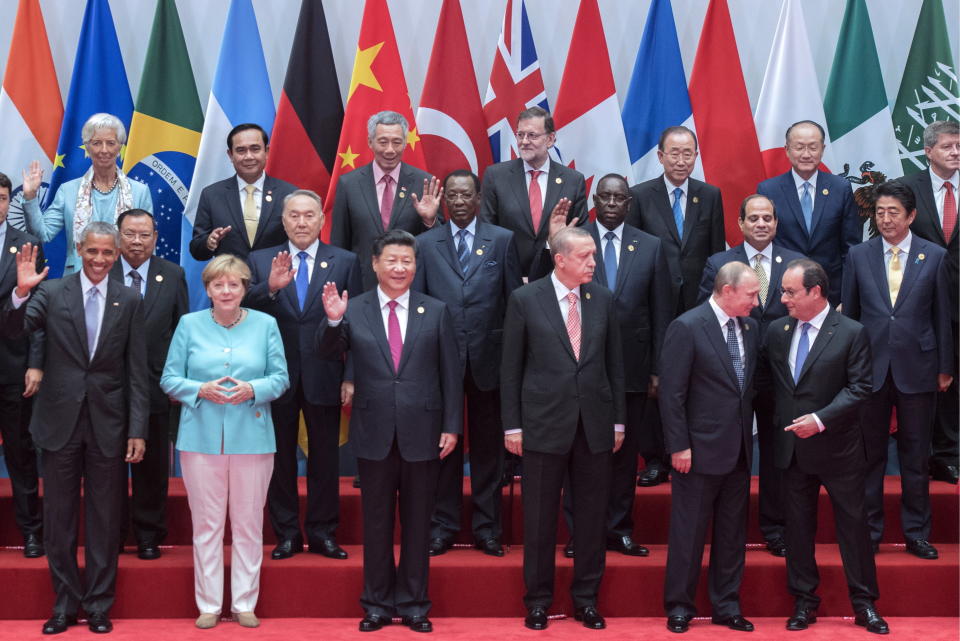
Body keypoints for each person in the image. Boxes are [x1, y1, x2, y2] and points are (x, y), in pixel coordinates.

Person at [2, 221, 148, 635]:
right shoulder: (50, 292)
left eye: (107, 253)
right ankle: (65, 604)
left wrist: (137, 429)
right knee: (60, 520)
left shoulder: (129, 299)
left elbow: (137, 371)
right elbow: (15, 330)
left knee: (104, 521)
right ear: (79, 249)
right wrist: (22, 292)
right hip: (58, 423)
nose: (99, 260)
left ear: (116, 254)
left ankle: (99, 605)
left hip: (109, 425)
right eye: (92, 252)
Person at [318, 230, 461, 634]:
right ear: (375, 264)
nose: (400, 268)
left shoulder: (435, 310)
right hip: (374, 432)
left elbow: (451, 374)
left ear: (416, 267)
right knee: (377, 525)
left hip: (425, 432)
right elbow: (327, 352)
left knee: (419, 525)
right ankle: (377, 605)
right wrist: (332, 320)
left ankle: (415, 604)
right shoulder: (355, 308)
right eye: (392, 261)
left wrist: (452, 425)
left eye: (407, 261)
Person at [501, 226, 625, 631]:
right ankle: (537, 601)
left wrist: (618, 421)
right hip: (541, 426)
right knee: (538, 520)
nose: (594, 262)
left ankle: (586, 600)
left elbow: (615, 366)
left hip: (594, 425)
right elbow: (511, 369)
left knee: (591, 520)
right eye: (586, 256)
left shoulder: (603, 299)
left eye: (593, 255)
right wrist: (512, 426)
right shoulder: (525, 299)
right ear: (560, 259)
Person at [160, 255, 289, 630]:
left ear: (245, 288)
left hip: (253, 437)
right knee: (207, 525)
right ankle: (210, 604)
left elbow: (280, 378)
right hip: (200, 439)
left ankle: (245, 602)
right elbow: (169, 379)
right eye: (219, 285)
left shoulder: (266, 325)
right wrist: (199, 389)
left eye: (234, 284)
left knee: (248, 524)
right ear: (208, 289)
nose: (227, 291)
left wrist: (253, 388)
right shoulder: (189, 325)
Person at [766, 259, 887, 634]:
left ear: (815, 291)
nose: (782, 298)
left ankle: (864, 603)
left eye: (790, 292)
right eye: (783, 291)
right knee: (798, 530)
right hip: (792, 452)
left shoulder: (851, 332)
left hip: (839, 450)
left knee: (853, 527)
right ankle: (804, 602)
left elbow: (860, 388)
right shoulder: (776, 331)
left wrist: (819, 420)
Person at [244, 190, 361, 562]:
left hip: (326, 374)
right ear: (283, 221)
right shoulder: (262, 261)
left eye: (308, 215)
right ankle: (287, 534)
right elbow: (243, 311)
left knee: (324, 459)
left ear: (321, 220)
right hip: (275, 377)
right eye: (293, 215)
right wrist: (270, 289)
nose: (301, 222)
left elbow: (356, 323)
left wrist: (351, 375)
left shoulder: (345, 261)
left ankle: (323, 533)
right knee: (278, 459)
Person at [412, 170, 523, 558]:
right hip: (439, 363)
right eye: (452, 196)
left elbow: (514, 304)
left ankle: (487, 528)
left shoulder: (502, 240)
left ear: (478, 199)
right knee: (444, 448)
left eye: (466, 195)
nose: (459, 202)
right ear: (445, 200)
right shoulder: (425, 244)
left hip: (489, 362)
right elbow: (419, 305)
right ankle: (442, 526)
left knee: (489, 452)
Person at [841, 181, 953, 558]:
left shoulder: (934, 256)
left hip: (919, 368)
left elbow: (942, 317)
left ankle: (917, 533)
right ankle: (869, 532)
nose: (886, 219)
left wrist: (944, 367)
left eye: (894, 213)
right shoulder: (858, 255)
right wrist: (849, 370)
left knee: (916, 456)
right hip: (870, 371)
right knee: (869, 456)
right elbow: (851, 320)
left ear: (911, 216)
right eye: (880, 212)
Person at [563, 174, 670, 557]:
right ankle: (581, 533)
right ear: (594, 199)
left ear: (629, 203)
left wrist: (658, 368)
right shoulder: (575, 241)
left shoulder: (650, 246)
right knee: (582, 454)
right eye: (604, 196)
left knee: (625, 457)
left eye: (619, 197)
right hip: (582, 368)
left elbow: (661, 311)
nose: (611, 203)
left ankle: (618, 528)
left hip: (633, 367)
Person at [697, 194, 805, 557]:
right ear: (740, 224)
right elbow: (704, 318)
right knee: (733, 453)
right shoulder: (719, 263)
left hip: (779, 377)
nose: (761, 224)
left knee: (778, 455)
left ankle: (775, 528)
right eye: (754, 218)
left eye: (768, 218)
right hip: (732, 377)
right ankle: (731, 529)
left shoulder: (795, 263)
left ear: (776, 223)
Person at [660, 262, 760, 634]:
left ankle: (727, 605)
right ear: (727, 290)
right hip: (697, 452)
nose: (757, 300)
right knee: (689, 533)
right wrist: (679, 446)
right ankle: (680, 606)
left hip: (738, 451)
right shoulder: (687, 327)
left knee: (733, 534)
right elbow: (671, 395)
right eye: (751, 294)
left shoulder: (750, 328)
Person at [627, 125, 725, 487]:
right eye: (675, 153)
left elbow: (716, 255)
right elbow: (634, 253)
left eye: (689, 154)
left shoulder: (710, 195)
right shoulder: (639, 196)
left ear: (696, 156)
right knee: (657, 381)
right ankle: (656, 458)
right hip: (654, 306)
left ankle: (692, 449)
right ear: (660, 156)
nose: (682, 161)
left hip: (699, 306)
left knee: (698, 381)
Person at [111, 209, 188, 560]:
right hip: (108, 388)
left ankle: (148, 534)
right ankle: (111, 533)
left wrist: (178, 380)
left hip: (157, 386)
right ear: (118, 235)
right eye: (130, 234)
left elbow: (181, 332)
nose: (138, 241)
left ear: (156, 237)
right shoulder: (101, 271)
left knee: (152, 467)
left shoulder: (172, 274)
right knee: (107, 468)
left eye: (145, 234)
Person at [898, 120, 959, 485]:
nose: (955, 152)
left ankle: (949, 455)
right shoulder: (906, 189)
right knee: (926, 384)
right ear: (928, 150)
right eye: (949, 146)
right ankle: (922, 455)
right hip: (920, 306)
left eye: (959, 146)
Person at [21, 113, 152, 274]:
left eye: (110, 143)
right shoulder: (68, 191)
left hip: (124, 280)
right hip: (77, 279)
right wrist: (30, 196)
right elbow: (42, 234)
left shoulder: (140, 192)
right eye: (97, 143)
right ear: (87, 146)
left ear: (120, 147)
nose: (104, 150)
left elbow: (147, 244)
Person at [330, 111, 441, 291]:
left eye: (397, 142)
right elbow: (339, 243)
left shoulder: (424, 183)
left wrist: (430, 221)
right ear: (370, 142)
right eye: (383, 142)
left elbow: (439, 244)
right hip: (362, 286)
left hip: (410, 286)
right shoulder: (349, 183)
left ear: (405, 143)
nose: (390, 149)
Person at [757, 120, 860, 306]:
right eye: (799, 147)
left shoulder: (840, 188)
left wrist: (847, 296)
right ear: (787, 150)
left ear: (822, 149)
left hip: (831, 292)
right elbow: (763, 245)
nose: (806, 154)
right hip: (783, 291)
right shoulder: (768, 190)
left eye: (813, 147)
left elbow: (850, 248)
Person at [480, 106, 588, 281]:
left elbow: (582, 234)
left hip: (556, 279)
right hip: (506, 280)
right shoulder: (496, 176)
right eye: (520, 135)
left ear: (550, 139)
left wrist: (556, 240)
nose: (524, 141)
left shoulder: (572, 180)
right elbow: (486, 231)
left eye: (532, 135)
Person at [0, 172, 45, 559]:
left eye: (0, 198)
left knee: (21, 453)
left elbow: (38, 311)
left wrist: (35, 364)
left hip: (14, 368)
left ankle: (32, 531)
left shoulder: (27, 245)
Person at [189, 123, 297, 262]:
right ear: (230, 155)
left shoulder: (289, 194)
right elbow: (196, 250)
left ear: (267, 152)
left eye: (255, 149)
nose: (248, 156)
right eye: (241, 150)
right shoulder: (212, 195)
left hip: (275, 280)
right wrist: (209, 243)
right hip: (229, 279)